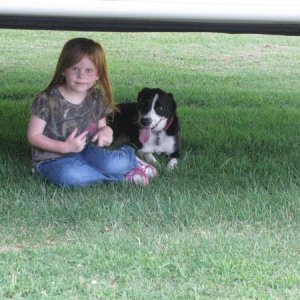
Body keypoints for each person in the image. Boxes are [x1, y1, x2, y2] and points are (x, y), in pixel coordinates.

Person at [27, 37, 157, 187]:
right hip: (53, 159)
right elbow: (34, 136)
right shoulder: (47, 99)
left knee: (112, 163)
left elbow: (103, 126)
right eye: (75, 69)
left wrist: (106, 132)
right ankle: (123, 178)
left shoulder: (95, 98)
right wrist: (65, 147)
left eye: (89, 70)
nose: (81, 75)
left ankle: (132, 159)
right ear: (63, 69)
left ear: (98, 75)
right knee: (70, 177)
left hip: (87, 152)